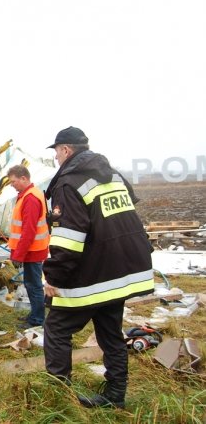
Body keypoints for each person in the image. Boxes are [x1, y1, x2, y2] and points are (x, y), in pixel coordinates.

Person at [42, 126, 154, 408]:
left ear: (66, 150)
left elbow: (69, 240)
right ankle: (116, 397)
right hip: (122, 271)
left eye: (56, 151)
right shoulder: (113, 174)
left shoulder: (68, 183)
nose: (56, 158)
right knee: (110, 333)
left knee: (56, 328)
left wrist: (53, 278)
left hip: (93, 273)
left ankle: (59, 399)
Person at [6, 164, 49, 329]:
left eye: (13, 181)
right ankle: (35, 315)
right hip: (32, 250)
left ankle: (37, 320)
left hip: (33, 251)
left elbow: (28, 231)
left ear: (24, 178)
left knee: (34, 285)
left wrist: (18, 255)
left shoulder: (30, 198)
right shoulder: (28, 195)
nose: (12, 185)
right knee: (31, 284)